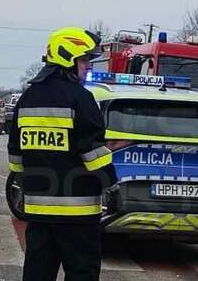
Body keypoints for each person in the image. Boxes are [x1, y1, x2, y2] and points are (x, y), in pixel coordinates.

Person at [8, 27, 117, 281]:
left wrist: (29, 181)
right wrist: (111, 183)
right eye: (84, 60)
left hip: (38, 211)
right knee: (81, 272)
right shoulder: (80, 97)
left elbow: (15, 154)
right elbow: (94, 151)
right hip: (77, 214)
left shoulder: (27, 97)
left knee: (37, 273)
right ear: (68, 59)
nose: (87, 67)